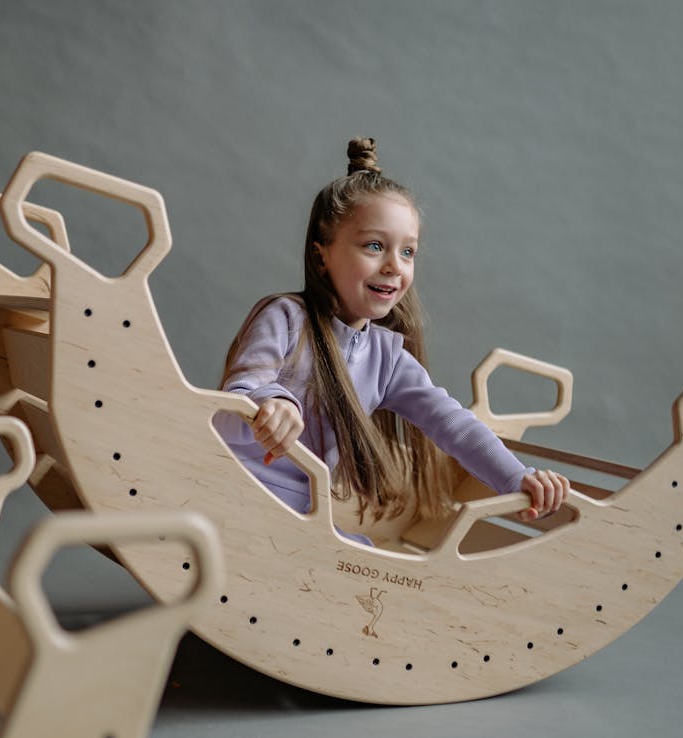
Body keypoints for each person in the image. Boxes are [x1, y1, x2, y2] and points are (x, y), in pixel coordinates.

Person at [216, 137, 569, 544]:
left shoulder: (387, 358)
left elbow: (453, 425)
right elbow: (232, 405)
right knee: (354, 560)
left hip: (302, 518)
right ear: (321, 256)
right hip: (237, 493)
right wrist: (270, 402)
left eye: (408, 252)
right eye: (374, 246)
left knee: (361, 556)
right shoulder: (285, 318)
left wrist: (517, 478)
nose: (393, 266)